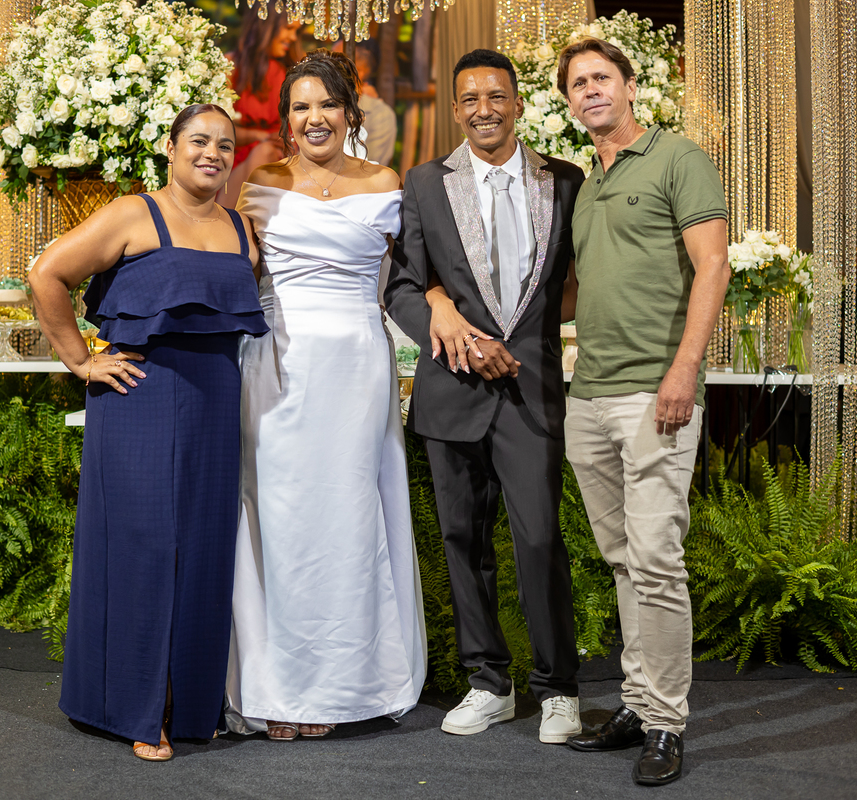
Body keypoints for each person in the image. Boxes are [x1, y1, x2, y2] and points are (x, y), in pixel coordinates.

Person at [30, 104, 267, 761]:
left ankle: (189, 705)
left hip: (216, 402)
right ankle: (139, 709)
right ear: (170, 146)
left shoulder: (242, 228)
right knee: (144, 548)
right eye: (199, 141)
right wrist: (81, 360)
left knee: (205, 550)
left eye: (225, 145)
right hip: (139, 397)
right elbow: (46, 273)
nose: (213, 154)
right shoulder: (133, 214)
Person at [383, 49, 584, 744]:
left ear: (518, 104)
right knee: (463, 541)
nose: (483, 110)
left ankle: (558, 688)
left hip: (532, 391)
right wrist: (451, 327)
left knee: (539, 538)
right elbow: (403, 286)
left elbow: (577, 279)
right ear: (455, 109)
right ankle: (488, 682)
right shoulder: (424, 182)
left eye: (495, 96)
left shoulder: (564, 180)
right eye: (469, 99)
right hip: (453, 389)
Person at [227, 49, 426, 741]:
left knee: (348, 515)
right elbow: (234, 269)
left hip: (357, 367)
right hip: (277, 366)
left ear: (350, 113)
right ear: (287, 119)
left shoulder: (386, 182)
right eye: (300, 107)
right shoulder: (261, 182)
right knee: (278, 517)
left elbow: (413, 280)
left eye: (327, 105)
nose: (314, 118)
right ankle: (278, 689)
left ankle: (342, 687)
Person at [556, 38, 729, 786]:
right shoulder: (586, 183)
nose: (591, 90)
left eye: (602, 77)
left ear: (630, 86)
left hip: (654, 393)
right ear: (569, 102)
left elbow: (713, 263)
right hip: (589, 395)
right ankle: (636, 703)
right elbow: (577, 290)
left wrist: (684, 368)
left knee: (656, 560)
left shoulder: (676, 158)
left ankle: (665, 722)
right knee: (625, 560)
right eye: (578, 83)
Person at [220, 7, 302, 208]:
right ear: (266, 26)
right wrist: (260, 136)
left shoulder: (293, 71)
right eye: (288, 28)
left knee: (266, 153)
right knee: (262, 152)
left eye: (296, 31)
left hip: (282, 155)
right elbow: (218, 130)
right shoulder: (230, 66)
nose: (293, 37)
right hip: (236, 157)